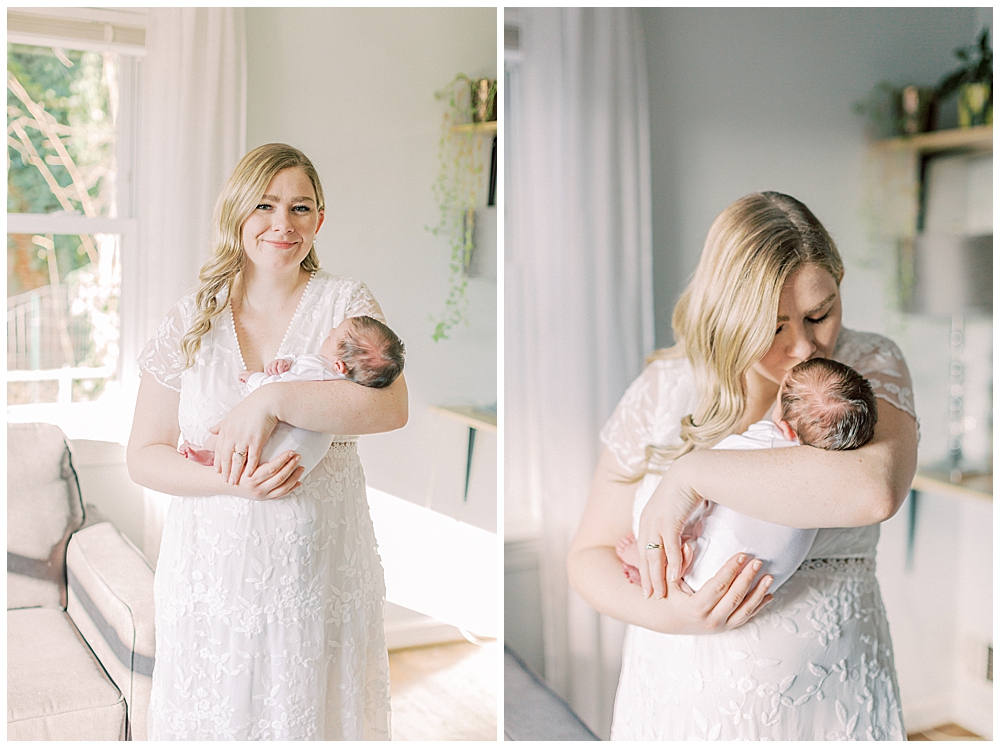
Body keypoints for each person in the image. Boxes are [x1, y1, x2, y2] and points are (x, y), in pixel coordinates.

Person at [567, 191, 917, 740]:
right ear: (728, 315)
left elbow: (874, 490)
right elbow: (588, 554)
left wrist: (691, 475)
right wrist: (673, 616)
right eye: (774, 326)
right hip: (678, 700)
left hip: (827, 707)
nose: (804, 346)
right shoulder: (664, 387)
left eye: (819, 313)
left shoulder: (865, 367)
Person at [126, 143, 408, 740]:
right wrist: (234, 481)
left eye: (301, 208)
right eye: (265, 205)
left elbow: (390, 407)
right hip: (210, 581)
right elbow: (143, 456)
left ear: (320, 220)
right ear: (236, 215)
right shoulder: (190, 318)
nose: (284, 224)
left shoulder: (345, 305)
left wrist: (270, 399)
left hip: (318, 581)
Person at [616, 357, 878, 594]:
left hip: (707, 569)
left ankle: (652, 563)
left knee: (680, 525)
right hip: (763, 581)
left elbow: (712, 469)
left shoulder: (762, 440)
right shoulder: (831, 475)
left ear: (785, 428)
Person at [179, 315, 405, 475]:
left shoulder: (317, 367)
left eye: (334, 335)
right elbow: (294, 373)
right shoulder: (344, 384)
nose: (329, 331)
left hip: (277, 439)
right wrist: (285, 362)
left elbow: (279, 386)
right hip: (299, 453)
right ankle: (212, 458)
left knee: (228, 434)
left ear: (338, 365)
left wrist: (254, 379)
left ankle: (210, 454)